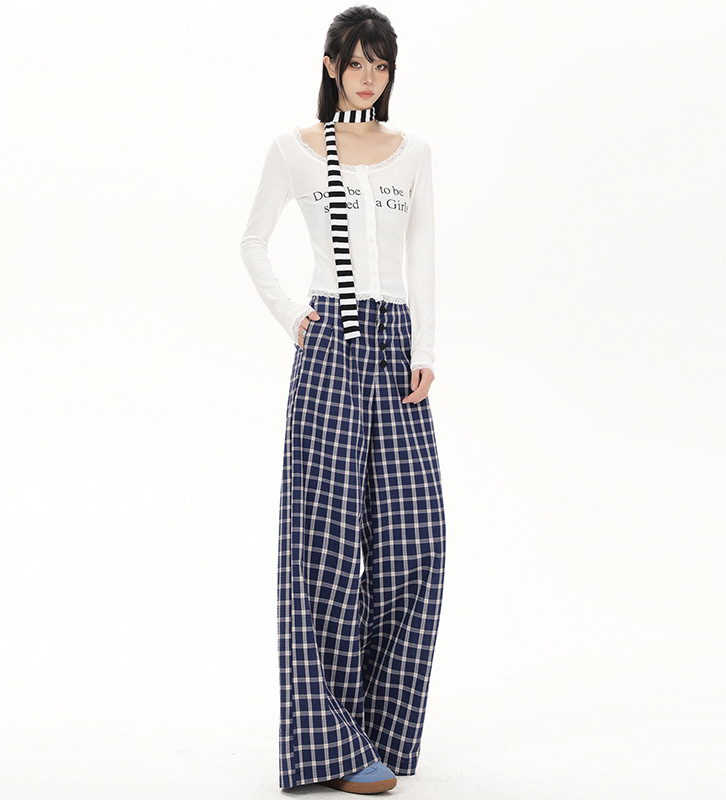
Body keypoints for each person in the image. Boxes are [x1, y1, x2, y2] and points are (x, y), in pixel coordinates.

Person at [239, 5, 446, 794]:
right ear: (331, 66)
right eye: (356, 62)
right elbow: (253, 240)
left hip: (395, 346)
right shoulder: (294, 150)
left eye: (381, 64)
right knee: (322, 545)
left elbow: (422, 250)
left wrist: (425, 350)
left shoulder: (413, 153)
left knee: (415, 539)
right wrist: (293, 316)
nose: (369, 76)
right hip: (330, 342)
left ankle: (382, 727)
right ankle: (331, 744)